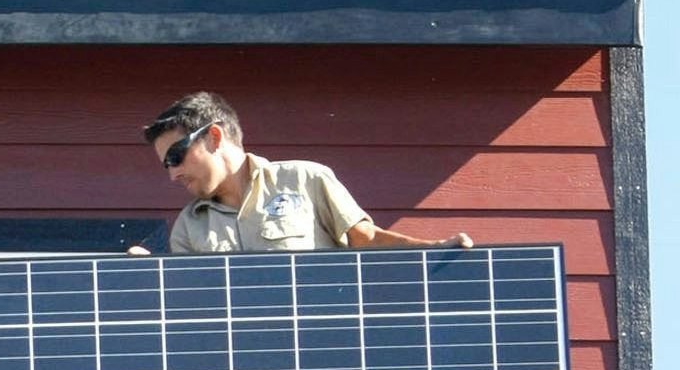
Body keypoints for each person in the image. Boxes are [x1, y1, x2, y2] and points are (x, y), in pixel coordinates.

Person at [142, 91, 472, 255]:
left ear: (214, 137)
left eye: (176, 156)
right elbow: (183, 302)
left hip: (320, 355)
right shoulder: (189, 225)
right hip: (240, 366)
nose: (173, 174)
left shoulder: (305, 180)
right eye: (165, 165)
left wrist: (435, 250)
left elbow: (365, 239)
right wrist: (138, 274)